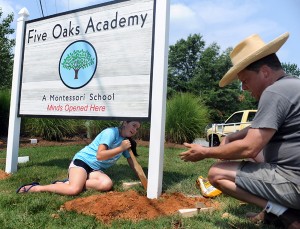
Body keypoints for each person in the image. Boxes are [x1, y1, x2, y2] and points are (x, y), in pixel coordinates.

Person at [179, 32, 300, 229]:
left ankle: (286, 215)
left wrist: (205, 152)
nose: (243, 88)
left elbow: (249, 149)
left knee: (217, 173)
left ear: (265, 72)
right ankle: (269, 212)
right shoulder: (291, 85)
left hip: (295, 182)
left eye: (245, 80)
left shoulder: (273, 92)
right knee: (258, 155)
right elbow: (261, 127)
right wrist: (235, 135)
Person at [16, 121, 141, 195]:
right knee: (74, 190)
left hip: (94, 169)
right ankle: (36, 188)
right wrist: (120, 148)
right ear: (124, 123)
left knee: (107, 184)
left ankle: (65, 183)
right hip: (83, 161)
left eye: (137, 128)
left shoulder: (125, 141)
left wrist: (143, 179)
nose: (135, 130)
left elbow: (133, 163)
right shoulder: (111, 133)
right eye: (133, 125)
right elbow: (100, 155)